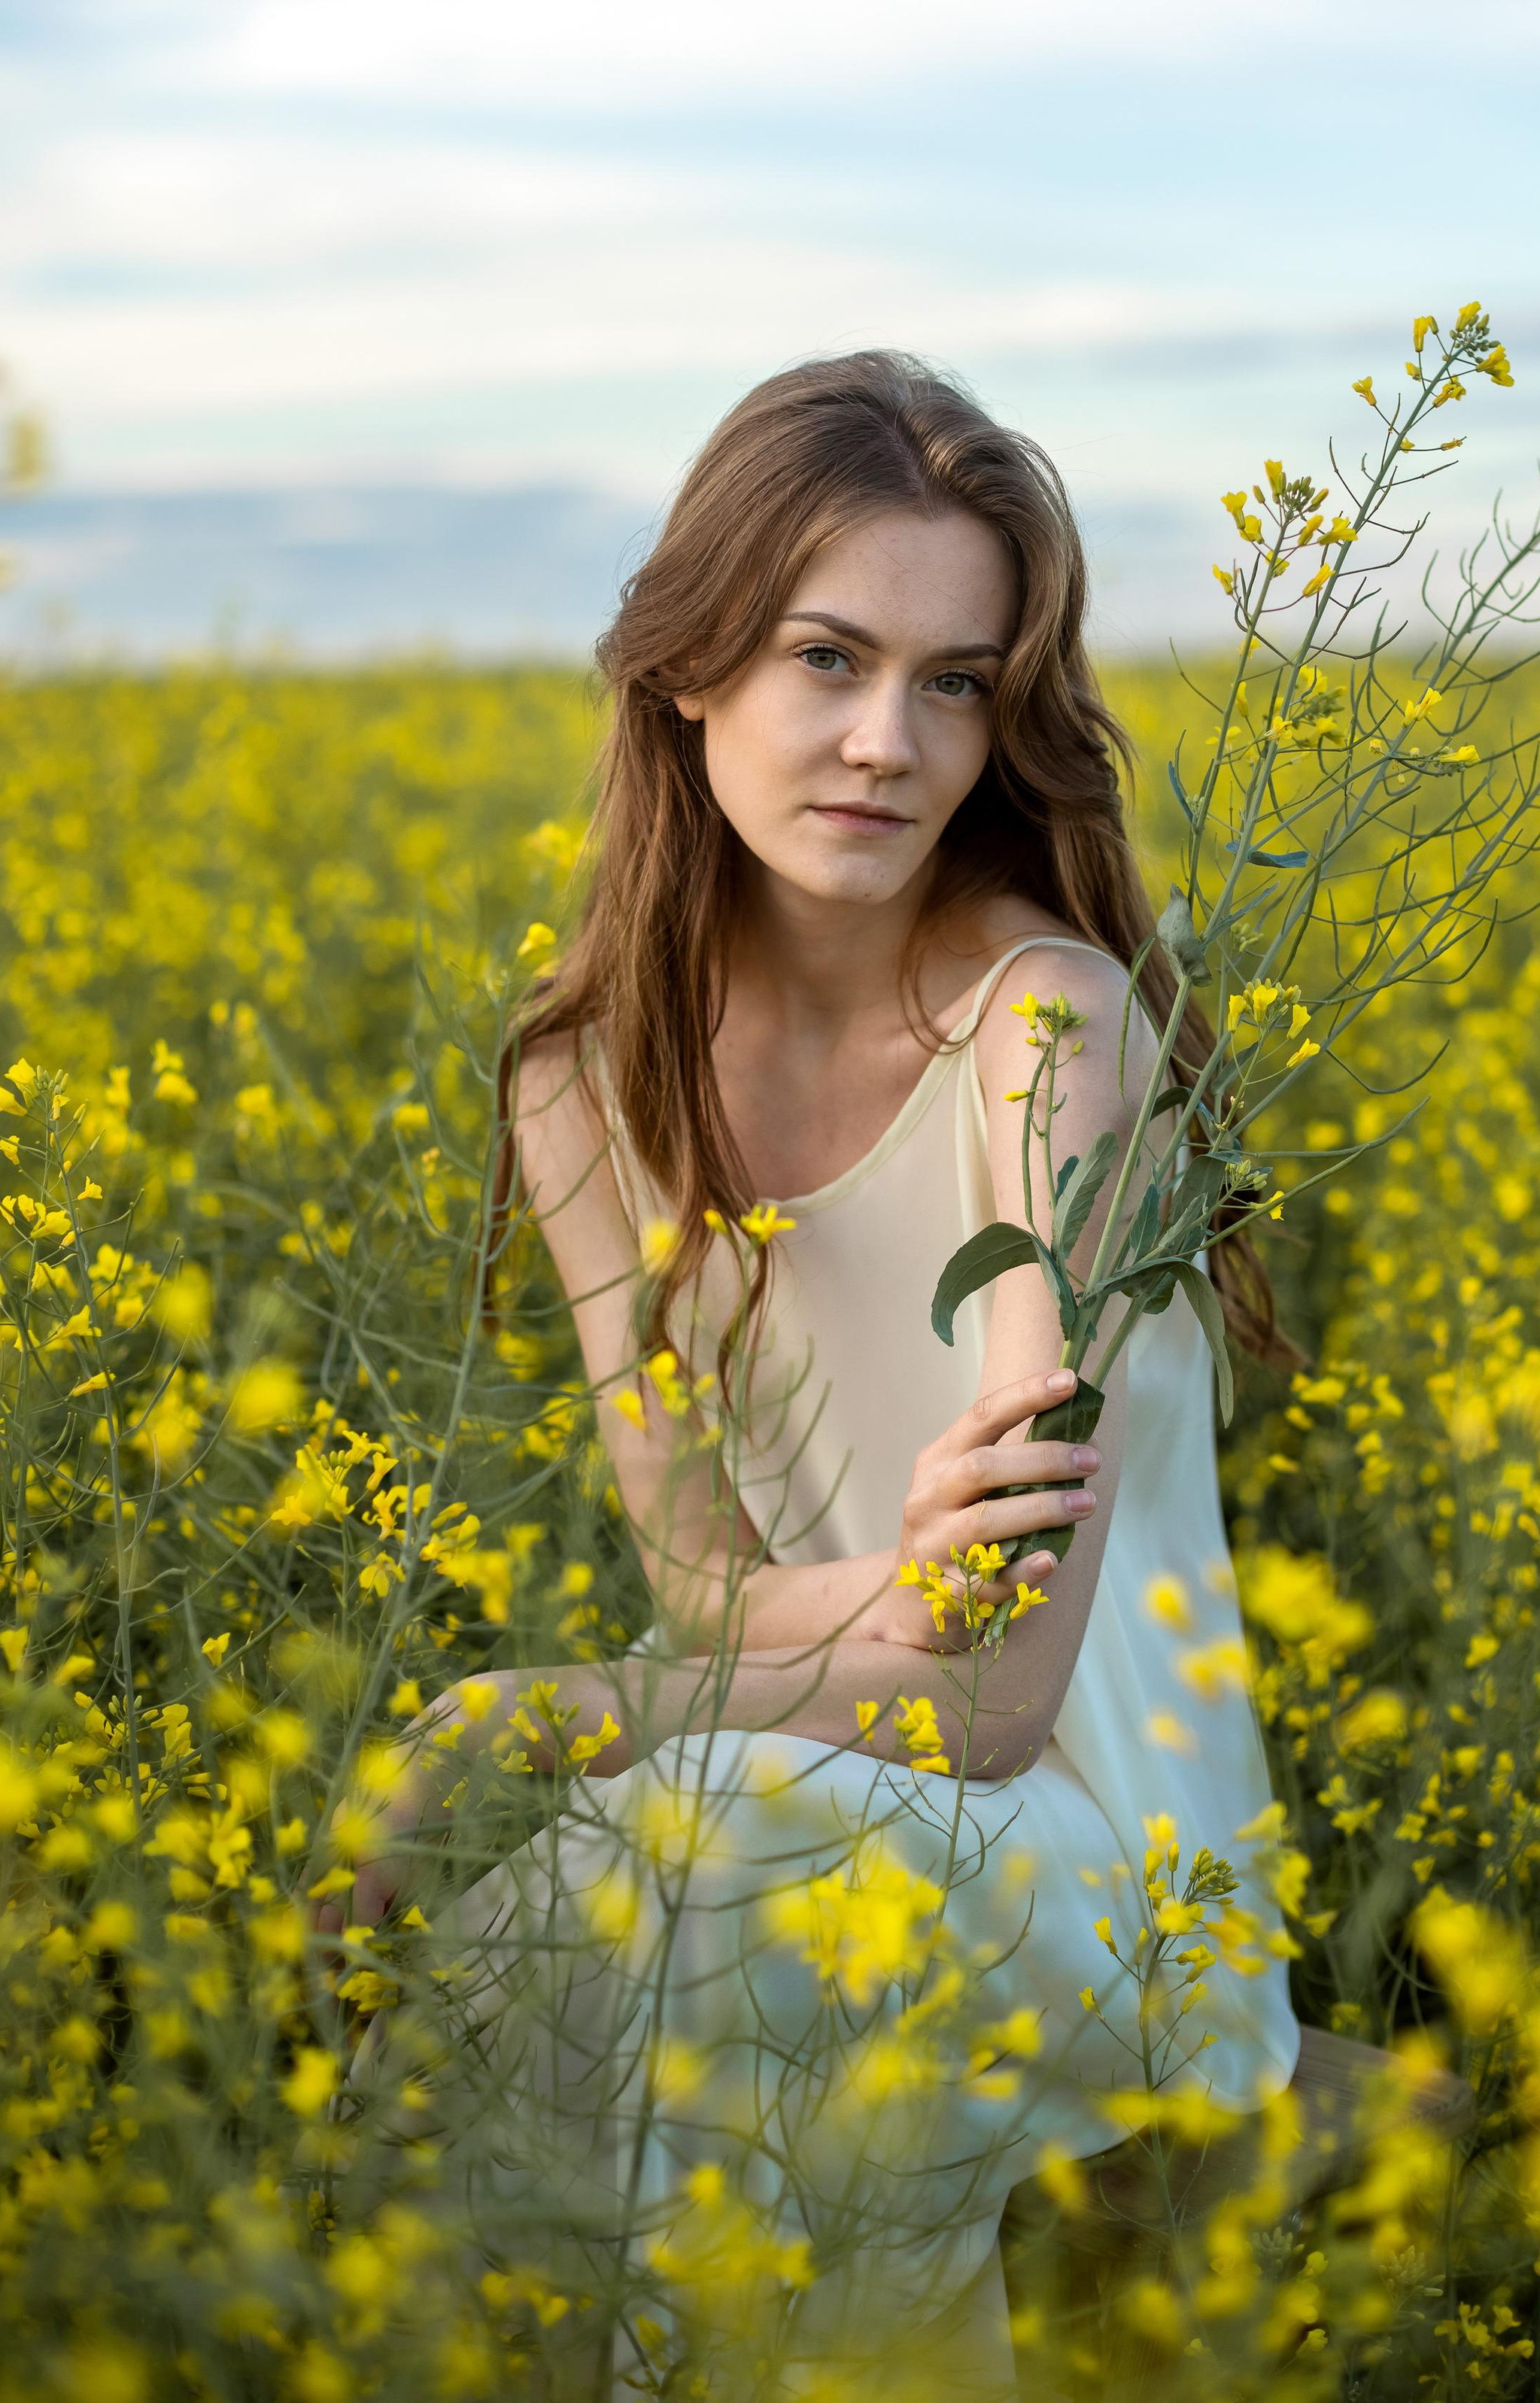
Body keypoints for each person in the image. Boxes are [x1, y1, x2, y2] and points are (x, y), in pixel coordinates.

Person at [335, 352, 1320, 2392]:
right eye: (827, 657)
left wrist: (559, 1709)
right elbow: (707, 1571)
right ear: (688, 667)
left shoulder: (1042, 1037)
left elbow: (1000, 1700)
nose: (889, 741)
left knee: (692, 1882)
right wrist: (863, 1603)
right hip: (812, 1756)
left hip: (1108, 1861)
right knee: (583, 1935)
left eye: (958, 682)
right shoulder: (577, 1080)